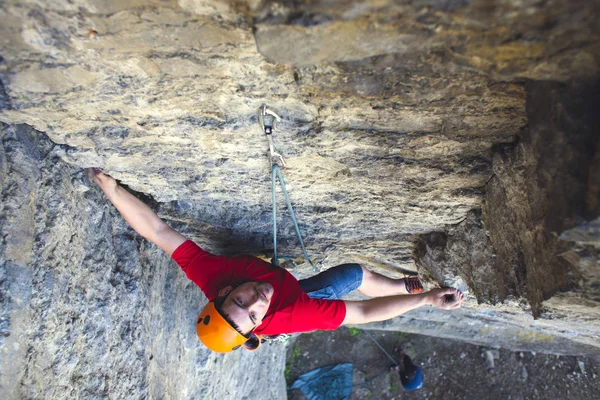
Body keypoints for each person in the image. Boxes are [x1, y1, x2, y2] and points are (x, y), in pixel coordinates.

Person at [88, 168, 464, 353]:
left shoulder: (209, 274)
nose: (256, 300)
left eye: (240, 300)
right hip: (297, 295)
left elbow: (156, 231)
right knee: (353, 274)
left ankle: (400, 285)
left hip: (271, 293)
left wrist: (113, 190)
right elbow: (363, 314)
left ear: (225, 290)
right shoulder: (294, 313)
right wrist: (425, 299)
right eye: (252, 314)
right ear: (257, 326)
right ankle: (400, 284)